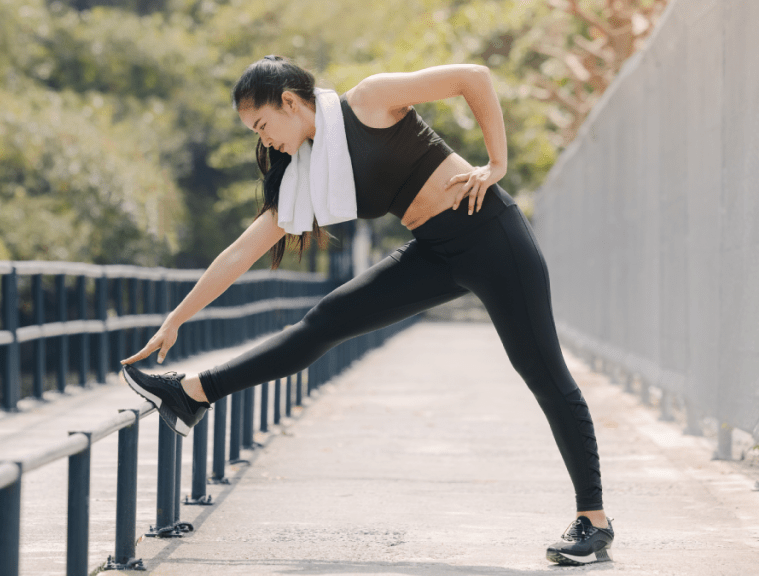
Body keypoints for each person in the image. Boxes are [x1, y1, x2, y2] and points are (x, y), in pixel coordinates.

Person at [119, 55, 613, 566]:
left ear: (290, 101)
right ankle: (192, 394)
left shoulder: (371, 100)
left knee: (542, 371)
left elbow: (474, 78)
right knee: (325, 322)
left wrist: (497, 163)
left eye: (263, 126)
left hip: (490, 235)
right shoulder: (308, 173)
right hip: (434, 252)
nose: (264, 142)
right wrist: (176, 317)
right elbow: (241, 252)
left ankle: (594, 521)